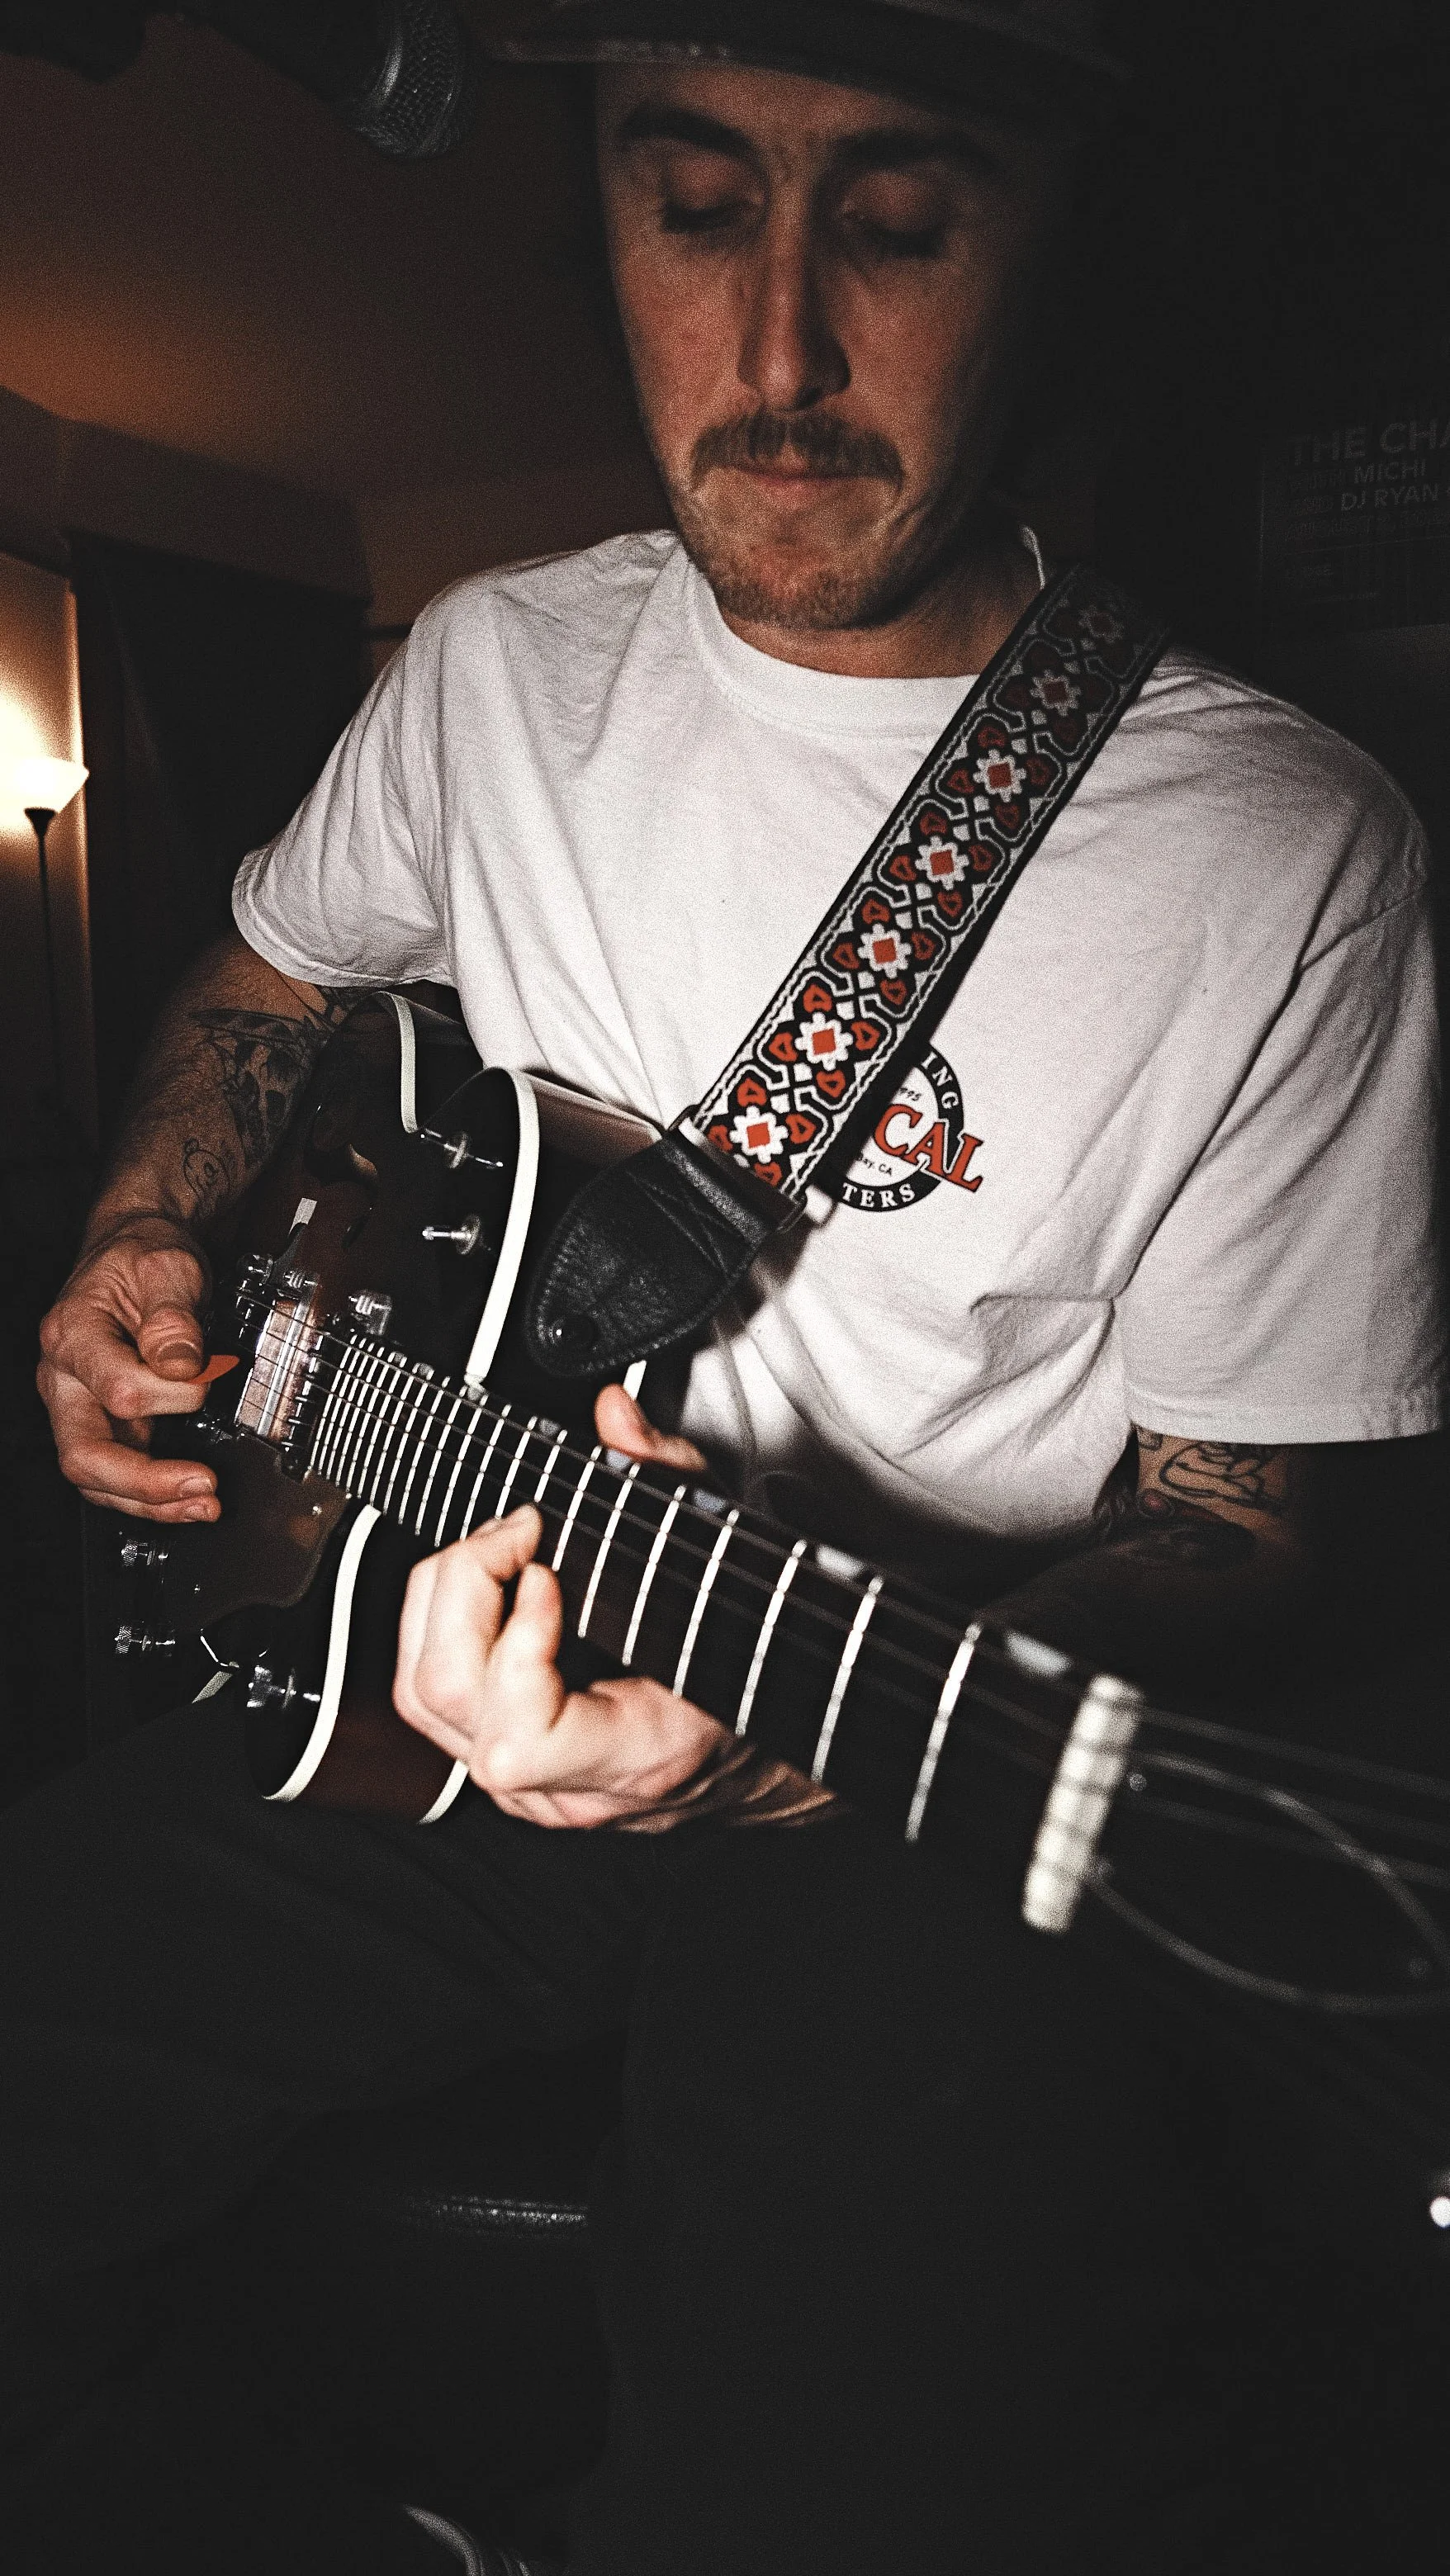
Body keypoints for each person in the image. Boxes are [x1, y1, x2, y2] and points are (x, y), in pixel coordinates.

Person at [7, 2, 1447, 2569]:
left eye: (895, 223)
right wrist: (145, 1232)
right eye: (693, 208)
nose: (778, 351)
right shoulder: (482, 669)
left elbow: (1252, 1529)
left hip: (898, 1748)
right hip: (397, 1664)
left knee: (852, 2460)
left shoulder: (1279, 848)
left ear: (1064, 248)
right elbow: (263, 986)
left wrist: (786, 1721)